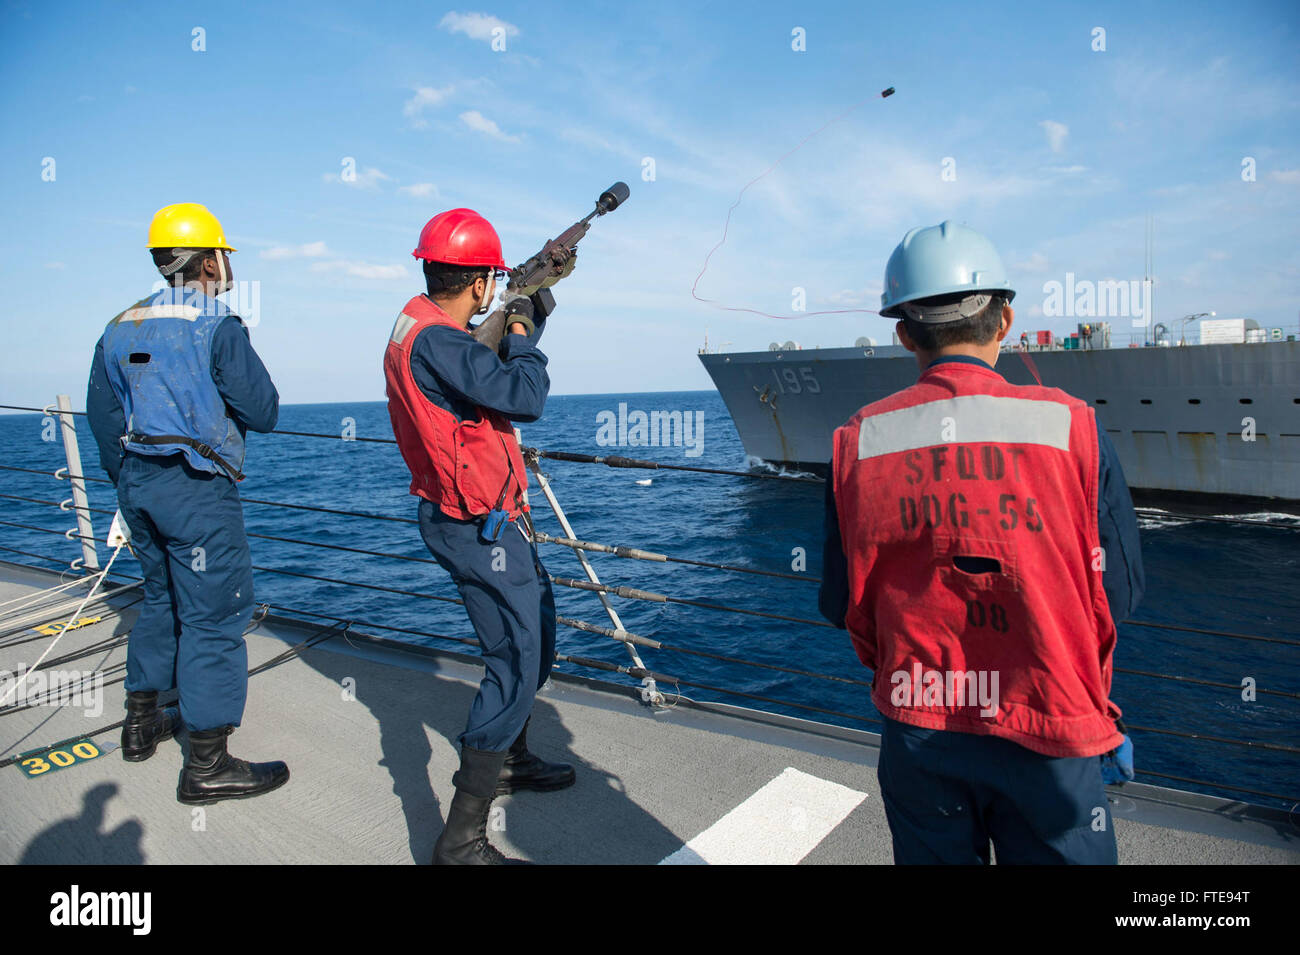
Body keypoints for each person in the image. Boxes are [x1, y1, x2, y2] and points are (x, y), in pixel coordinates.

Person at [819, 220, 1144, 864]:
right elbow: (1120, 592)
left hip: (920, 721)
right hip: (1049, 720)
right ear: (1005, 321)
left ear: (904, 331)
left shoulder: (859, 440)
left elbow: (840, 601)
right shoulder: (1071, 426)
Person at [383, 208, 574, 865]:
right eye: (495, 281)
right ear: (480, 283)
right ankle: (459, 839)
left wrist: (532, 302)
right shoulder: (441, 340)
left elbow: (478, 366)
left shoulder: (428, 325)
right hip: (476, 524)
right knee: (517, 659)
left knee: (536, 635)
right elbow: (524, 393)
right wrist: (522, 323)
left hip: (487, 515)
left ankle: (511, 755)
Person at [87, 202, 288, 804]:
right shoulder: (217, 323)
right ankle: (207, 765)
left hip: (136, 483)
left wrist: (128, 482)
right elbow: (264, 411)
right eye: (223, 254)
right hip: (196, 490)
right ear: (207, 258)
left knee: (159, 600)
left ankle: (141, 723)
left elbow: (102, 419)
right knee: (215, 616)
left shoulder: (119, 324)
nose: (227, 264)